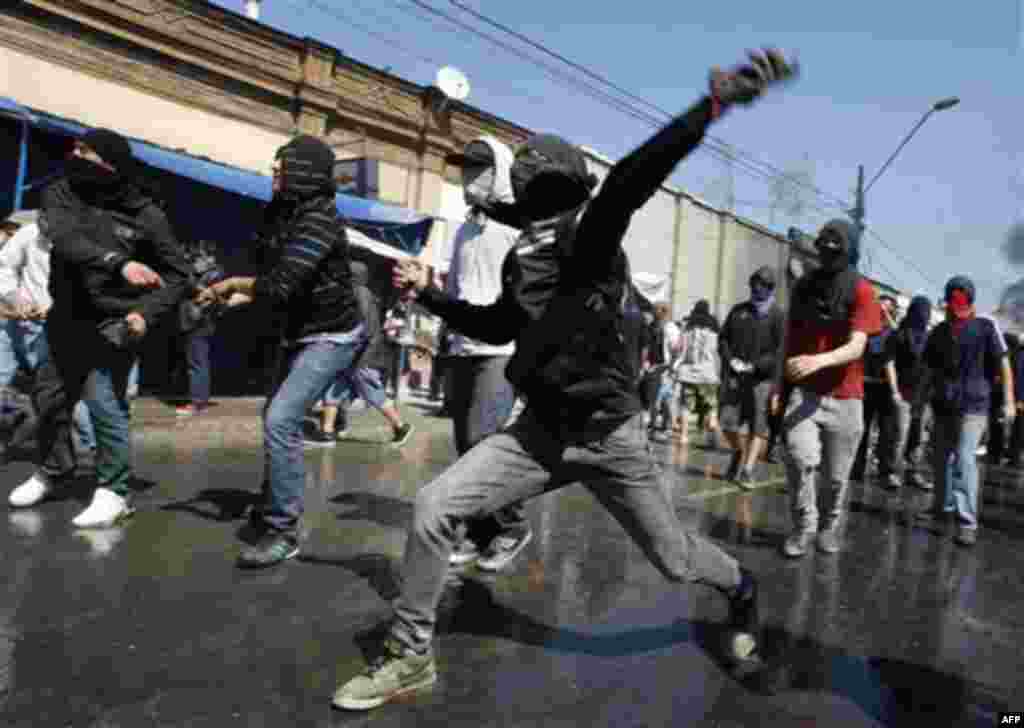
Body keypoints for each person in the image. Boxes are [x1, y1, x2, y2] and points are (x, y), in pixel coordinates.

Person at [332, 48, 797, 711]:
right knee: (436, 506)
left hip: (610, 437)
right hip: (538, 433)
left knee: (673, 559)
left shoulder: (590, 234)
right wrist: (432, 297)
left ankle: (742, 587)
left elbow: (636, 175)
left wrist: (711, 106)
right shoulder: (526, 249)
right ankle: (409, 655)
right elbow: (498, 325)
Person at [7, 128, 191, 527]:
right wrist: (118, 262)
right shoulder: (62, 193)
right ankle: (55, 470)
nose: (75, 154)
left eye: (85, 151)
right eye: (74, 147)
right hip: (65, 317)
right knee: (48, 397)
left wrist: (146, 314)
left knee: (103, 401)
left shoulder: (146, 214)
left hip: (115, 321)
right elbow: (65, 238)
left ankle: (114, 491)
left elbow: (178, 276)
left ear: (109, 162)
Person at [198, 134, 365, 568]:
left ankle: (282, 528)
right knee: (275, 417)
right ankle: (275, 500)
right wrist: (246, 295)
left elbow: (281, 283)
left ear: (306, 173)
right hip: (300, 331)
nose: (274, 172)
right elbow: (274, 278)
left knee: (281, 419)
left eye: (283, 166)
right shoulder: (284, 215)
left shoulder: (320, 222)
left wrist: (238, 285)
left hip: (333, 335)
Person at [442, 136, 534, 572]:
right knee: (464, 446)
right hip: (462, 348)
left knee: (483, 443)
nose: (468, 177)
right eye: (465, 168)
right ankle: (481, 532)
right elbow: (453, 287)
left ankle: (513, 525)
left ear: (499, 173)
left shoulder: (517, 228)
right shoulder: (462, 228)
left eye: (478, 169)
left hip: (501, 350)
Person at [773, 218, 882, 558]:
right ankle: (803, 526)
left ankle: (828, 526)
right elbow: (788, 341)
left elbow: (857, 346)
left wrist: (818, 361)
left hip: (847, 398)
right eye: (824, 247)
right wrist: (780, 385)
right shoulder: (804, 286)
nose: (827, 254)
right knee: (798, 457)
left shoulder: (863, 291)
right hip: (805, 393)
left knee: (836, 478)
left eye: (836, 249)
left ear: (848, 252)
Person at [918, 276, 1013, 547]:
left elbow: (1004, 364)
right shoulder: (939, 332)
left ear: (971, 302)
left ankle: (967, 520)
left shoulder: (985, 327)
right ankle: (942, 507)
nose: (956, 308)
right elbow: (927, 370)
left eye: (962, 301)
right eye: (952, 301)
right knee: (939, 458)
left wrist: (1008, 400)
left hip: (974, 406)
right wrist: (919, 404)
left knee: (963, 459)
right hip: (943, 404)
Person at [0, 210, 96, 455]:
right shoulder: (28, 234)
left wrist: (56, 310)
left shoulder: (86, 242)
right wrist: (14, 297)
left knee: (56, 388)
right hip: (17, 326)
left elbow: (94, 287)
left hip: (54, 327)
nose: (44, 235)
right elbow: (5, 268)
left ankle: (92, 444)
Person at [306, 260, 412, 447]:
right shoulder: (361, 293)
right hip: (354, 356)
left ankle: (400, 426)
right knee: (333, 390)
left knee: (373, 393)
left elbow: (366, 329)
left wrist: (359, 357)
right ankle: (326, 433)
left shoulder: (359, 294)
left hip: (364, 358)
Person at [718, 266, 784, 488]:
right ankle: (738, 452)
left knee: (758, 426)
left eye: (763, 285)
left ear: (770, 288)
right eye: (754, 283)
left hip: (762, 380)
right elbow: (723, 339)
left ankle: (747, 471)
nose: (757, 288)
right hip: (736, 377)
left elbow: (780, 351)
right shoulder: (738, 311)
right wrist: (730, 361)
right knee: (726, 422)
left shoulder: (777, 316)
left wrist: (756, 366)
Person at [883, 295, 934, 490]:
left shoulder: (929, 339)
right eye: (922, 311)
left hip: (922, 397)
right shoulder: (899, 335)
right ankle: (891, 472)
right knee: (899, 436)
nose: (925, 315)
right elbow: (889, 362)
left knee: (918, 438)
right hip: (903, 394)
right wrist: (894, 391)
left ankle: (914, 472)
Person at [850, 294, 899, 485]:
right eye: (880, 307)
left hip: (885, 388)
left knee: (887, 432)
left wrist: (887, 315)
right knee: (861, 429)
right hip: (865, 384)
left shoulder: (893, 333)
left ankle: (885, 472)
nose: (882, 311)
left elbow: (897, 334)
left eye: (887, 308)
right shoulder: (867, 331)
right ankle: (856, 468)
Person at [176, 239, 224, 417]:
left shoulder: (213, 274)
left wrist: (187, 271)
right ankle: (199, 400)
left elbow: (189, 286)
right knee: (196, 362)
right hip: (195, 320)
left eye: (199, 256)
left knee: (197, 363)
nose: (195, 260)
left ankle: (197, 402)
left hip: (199, 321)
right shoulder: (203, 273)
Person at [674, 299, 722, 444]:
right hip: (707, 372)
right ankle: (713, 419)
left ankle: (683, 436)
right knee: (711, 402)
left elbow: (679, 348)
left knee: (686, 405)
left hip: (688, 372)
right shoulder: (712, 327)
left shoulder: (687, 327)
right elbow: (714, 351)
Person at [646, 302, 682, 441]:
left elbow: (677, 349)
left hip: (665, 368)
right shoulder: (653, 326)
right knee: (660, 399)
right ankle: (660, 426)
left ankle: (662, 427)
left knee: (662, 399)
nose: (653, 312)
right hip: (654, 366)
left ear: (663, 311)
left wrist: (671, 367)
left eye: (656, 310)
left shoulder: (670, 328)